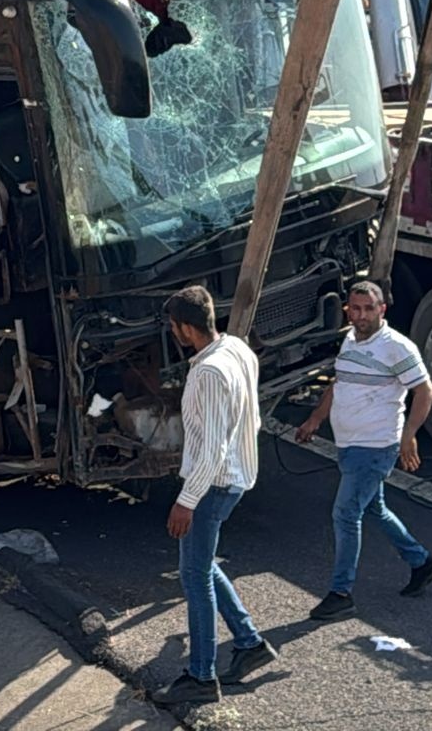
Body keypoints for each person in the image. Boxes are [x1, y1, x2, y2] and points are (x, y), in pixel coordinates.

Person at [295, 281, 432, 620]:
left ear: (382, 310)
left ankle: (341, 593)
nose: (361, 315)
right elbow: (340, 383)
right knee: (374, 508)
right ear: (348, 310)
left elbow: (425, 392)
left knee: (345, 513)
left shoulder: (396, 347)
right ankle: (422, 562)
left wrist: (409, 436)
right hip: (349, 445)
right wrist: (315, 418)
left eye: (368, 309)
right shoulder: (350, 339)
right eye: (356, 309)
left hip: (376, 446)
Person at [155, 286, 276, 707]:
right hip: (237, 476)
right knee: (202, 565)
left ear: (185, 329)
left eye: (174, 327)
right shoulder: (238, 349)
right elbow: (250, 418)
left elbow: (211, 450)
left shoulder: (206, 373)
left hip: (213, 484)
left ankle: (202, 676)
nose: (174, 333)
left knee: (193, 576)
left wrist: (186, 500)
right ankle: (249, 643)